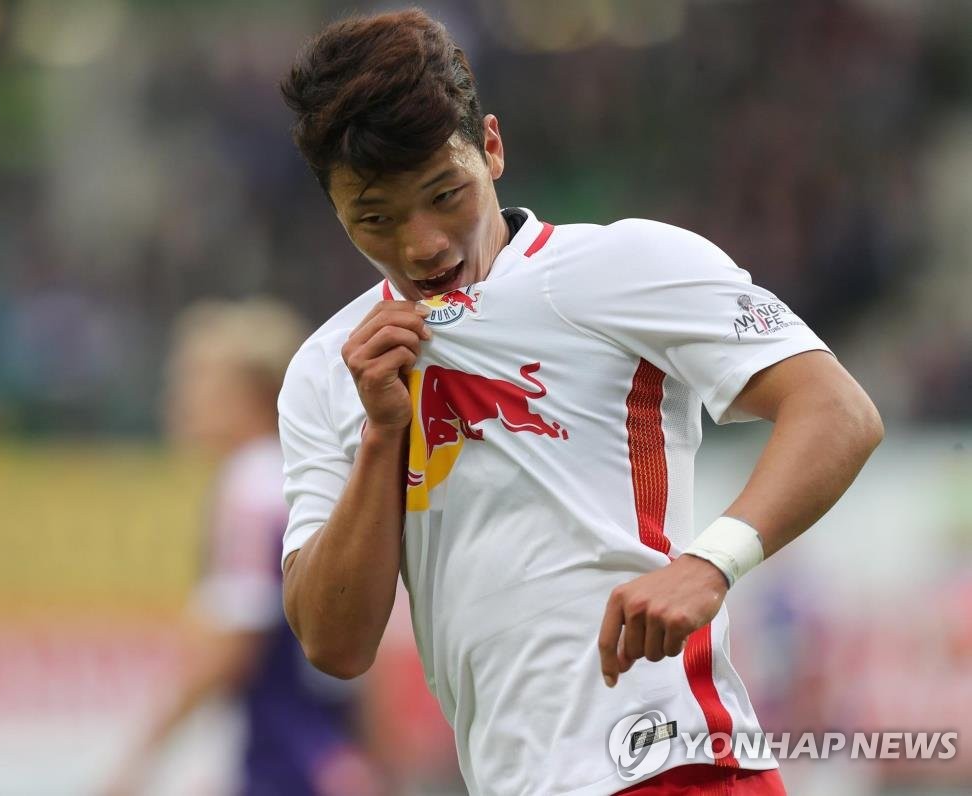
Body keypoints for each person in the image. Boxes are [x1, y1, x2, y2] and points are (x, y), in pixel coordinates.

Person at [277, 9, 884, 796]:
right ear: (335, 211)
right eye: (376, 220)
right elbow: (335, 644)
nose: (422, 244)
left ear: (491, 147)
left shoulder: (618, 265)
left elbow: (837, 410)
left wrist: (712, 562)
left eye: (445, 193)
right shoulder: (330, 369)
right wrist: (382, 435)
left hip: (676, 764)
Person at [105, 299, 381, 796]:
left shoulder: (250, 487)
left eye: (196, 380)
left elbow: (235, 639)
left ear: (249, 393)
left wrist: (139, 759)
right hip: (330, 758)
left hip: (283, 764)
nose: (177, 398)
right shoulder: (309, 480)